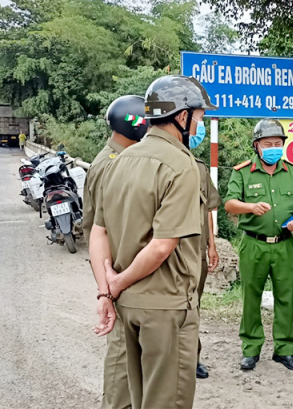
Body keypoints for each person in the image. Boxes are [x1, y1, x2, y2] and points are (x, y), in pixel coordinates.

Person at [90, 75, 215, 409]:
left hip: (127, 305)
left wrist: (108, 290)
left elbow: (98, 232)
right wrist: (116, 283)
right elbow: (162, 246)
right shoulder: (181, 164)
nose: (200, 123)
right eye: (199, 116)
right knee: (164, 401)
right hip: (166, 306)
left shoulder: (120, 161)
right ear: (182, 115)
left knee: (133, 396)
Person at [224, 119, 293, 372]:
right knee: (250, 297)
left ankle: (284, 350)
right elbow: (229, 203)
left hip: (285, 245)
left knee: (285, 297)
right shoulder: (242, 172)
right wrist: (250, 207)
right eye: (268, 144)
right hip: (253, 244)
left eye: (278, 143)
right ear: (257, 146)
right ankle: (251, 349)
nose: (274, 147)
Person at [84, 94, 147, 409]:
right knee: (122, 353)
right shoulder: (113, 164)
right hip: (118, 273)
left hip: (120, 272)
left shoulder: (118, 157)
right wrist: (105, 290)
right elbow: (102, 230)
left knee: (131, 354)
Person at [190, 132, 222, 379]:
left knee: (194, 306)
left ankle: (193, 357)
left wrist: (212, 245)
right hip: (166, 252)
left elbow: (209, 208)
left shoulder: (199, 168)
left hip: (196, 250)